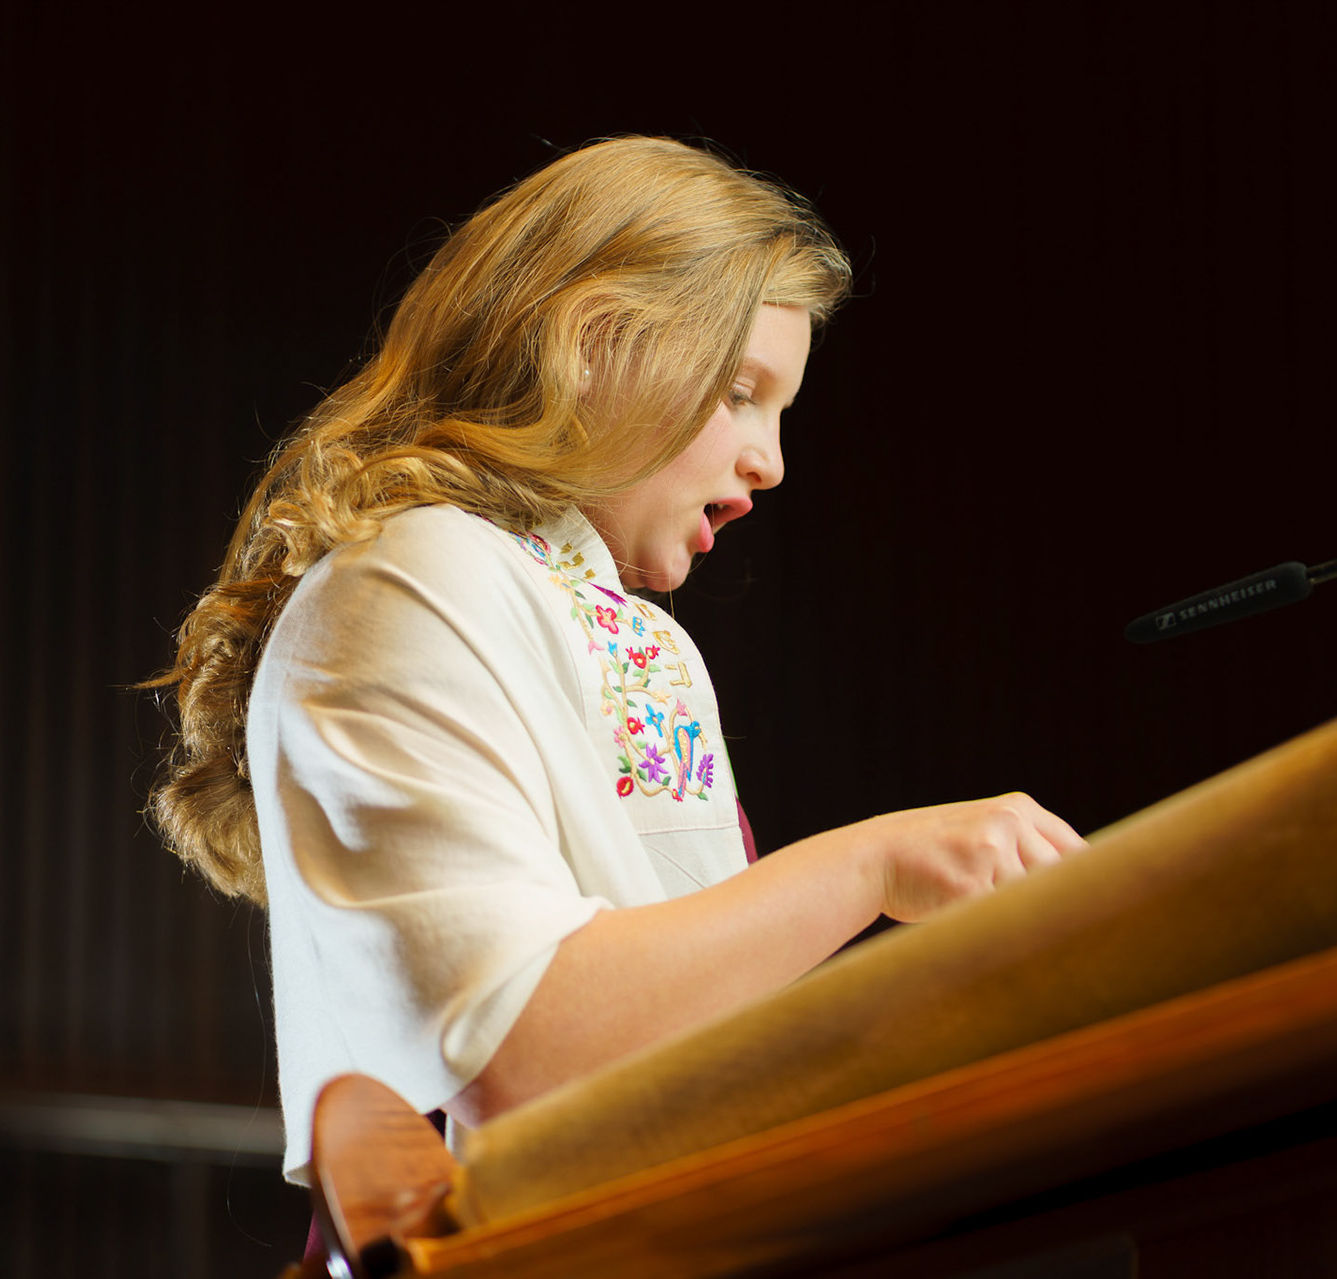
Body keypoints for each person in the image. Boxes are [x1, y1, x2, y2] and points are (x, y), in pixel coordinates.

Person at [146, 136, 1086, 1186]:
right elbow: (521, 1050)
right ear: (593, 343)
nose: (771, 462)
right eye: (741, 390)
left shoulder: (608, 619)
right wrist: (872, 866)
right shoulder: (411, 576)